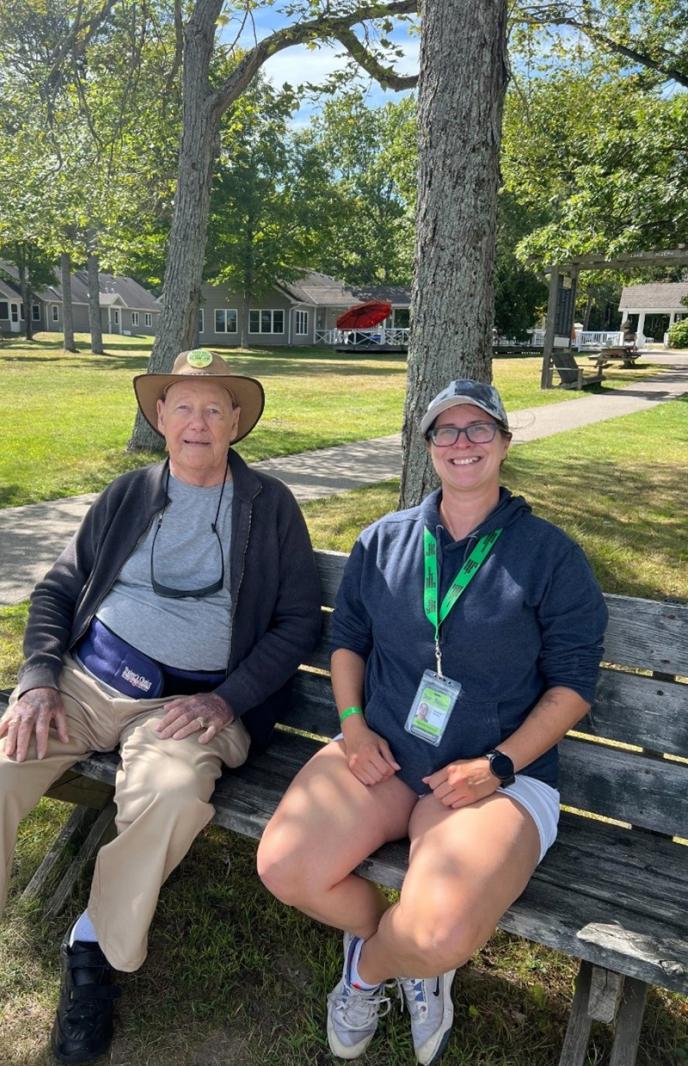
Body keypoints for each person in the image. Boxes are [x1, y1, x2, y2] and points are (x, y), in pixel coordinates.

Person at [0, 349, 322, 1066]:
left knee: (175, 793)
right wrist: (36, 679)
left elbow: (299, 621)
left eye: (215, 407)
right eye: (182, 405)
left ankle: (91, 944)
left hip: (190, 706)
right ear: (159, 417)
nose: (197, 421)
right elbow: (59, 589)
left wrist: (229, 697)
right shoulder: (127, 494)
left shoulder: (267, 506)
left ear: (237, 422)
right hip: (87, 683)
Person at [257, 379, 608, 1064]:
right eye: (445, 430)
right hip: (385, 752)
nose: (462, 442)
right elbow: (349, 642)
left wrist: (497, 765)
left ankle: (375, 967)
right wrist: (354, 728)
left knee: (441, 933)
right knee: (285, 869)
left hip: (499, 776)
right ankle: (396, 944)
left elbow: (572, 687)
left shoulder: (549, 555)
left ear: (505, 442)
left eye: (479, 428)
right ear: (428, 449)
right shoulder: (384, 540)